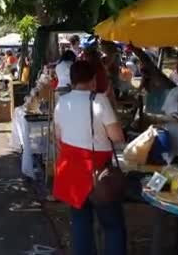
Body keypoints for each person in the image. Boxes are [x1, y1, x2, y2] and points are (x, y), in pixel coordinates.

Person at [53, 60, 127, 255]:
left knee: (80, 223)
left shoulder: (63, 101)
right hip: (97, 170)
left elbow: (58, 136)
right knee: (112, 225)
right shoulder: (99, 100)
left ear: (71, 80)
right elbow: (117, 136)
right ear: (93, 79)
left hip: (70, 169)